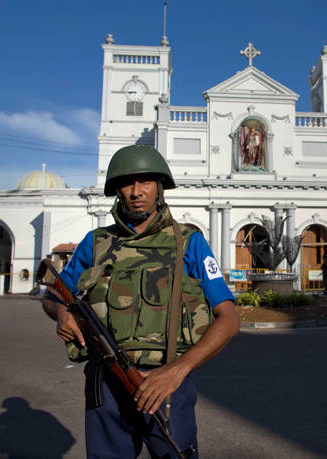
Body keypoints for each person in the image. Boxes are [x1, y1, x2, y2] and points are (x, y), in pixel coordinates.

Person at [41, 145, 239, 459]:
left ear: (159, 187)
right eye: (127, 183)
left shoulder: (188, 241)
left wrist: (177, 372)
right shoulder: (95, 243)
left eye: (145, 181)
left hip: (167, 383)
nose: (136, 191)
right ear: (117, 191)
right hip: (105, 381)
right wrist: (61, 313)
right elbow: (53, 293)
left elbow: (229, 319)